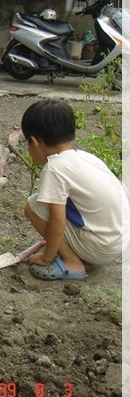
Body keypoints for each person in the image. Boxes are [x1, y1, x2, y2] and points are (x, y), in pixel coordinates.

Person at [21, 100, 129, 280]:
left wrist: (47, 257)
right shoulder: (86, 157)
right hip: (120, 240)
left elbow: (57, 222)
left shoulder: (55, 168)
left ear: (34, 141)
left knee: (33, 206)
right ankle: (81, 251)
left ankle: (72, 262)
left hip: (102, 248)